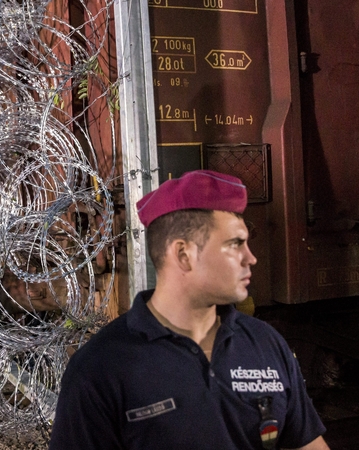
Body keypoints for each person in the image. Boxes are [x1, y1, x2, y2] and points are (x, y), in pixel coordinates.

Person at [49, 170, 329, 450]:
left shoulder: (266, 344)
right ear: (183, 255)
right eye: (235, 244)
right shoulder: (100, 369)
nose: (251, 258)